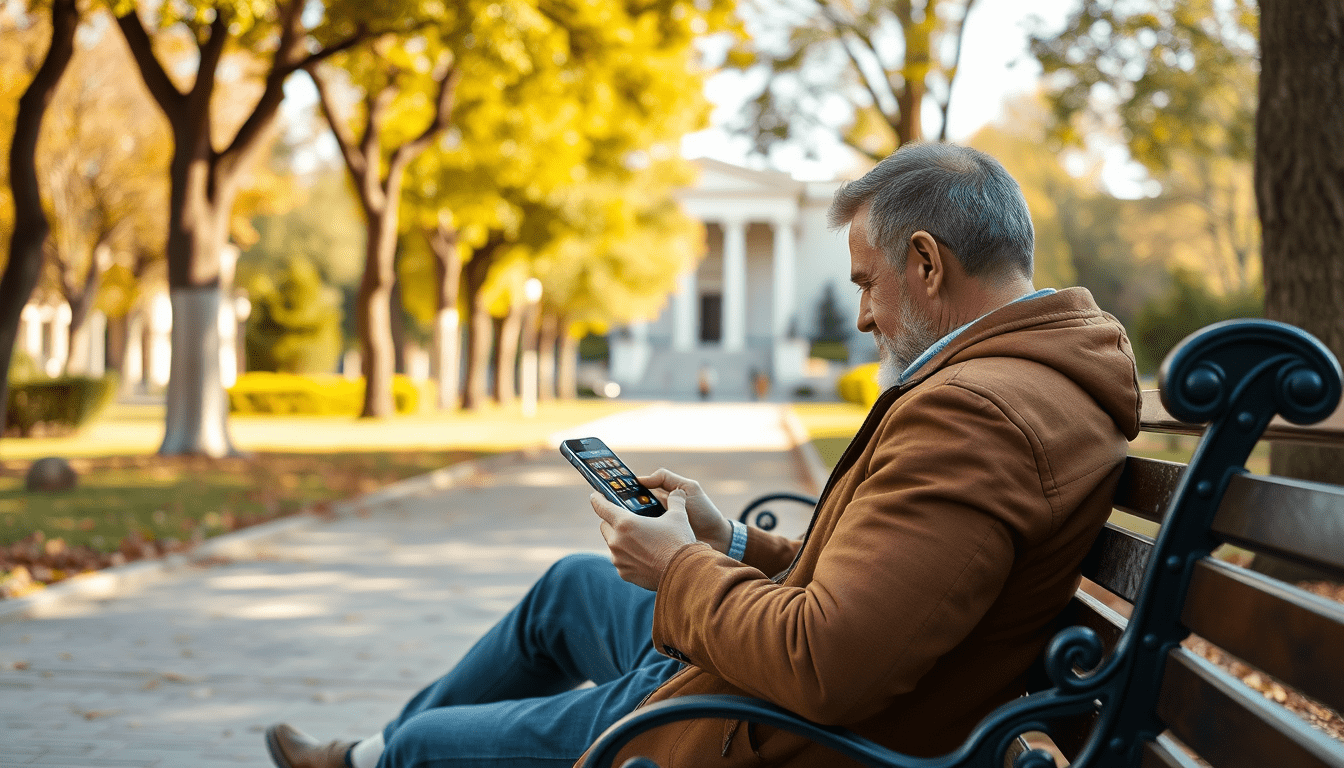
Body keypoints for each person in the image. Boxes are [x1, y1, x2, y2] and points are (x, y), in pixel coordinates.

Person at [265, 143, 1140, 768]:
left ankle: (374, 756)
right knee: (568, 589)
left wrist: (677, 567)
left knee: (425, 749)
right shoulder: (1024, 380)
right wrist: (729, 544)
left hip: (759, 724)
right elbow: (894, 583)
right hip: (758, 667)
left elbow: (823, 665)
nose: (864, 315)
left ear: (927, 264)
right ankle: (365, 754)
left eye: (866, 283)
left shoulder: (976, 414)